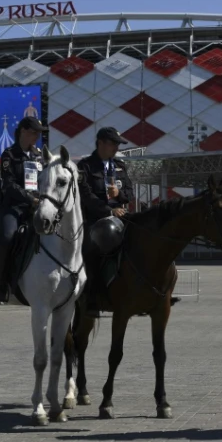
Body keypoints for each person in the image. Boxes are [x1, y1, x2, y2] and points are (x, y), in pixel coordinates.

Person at [76, 126, 135, 317]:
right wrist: (109, 210)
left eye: (119, 144)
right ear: (100, 143)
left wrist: (119, 194)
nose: (117, 148)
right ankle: (92, 296)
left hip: (121, 217)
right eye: (113, 144)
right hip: (95, 220)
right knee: (91, 251)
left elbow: (130, 193)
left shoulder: (119, 166)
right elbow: (86, 197)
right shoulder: (85, 166)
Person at [0, 116, 46, 302]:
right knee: (8, 236)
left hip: (37, 206)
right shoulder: (9, 154)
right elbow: (9, 185)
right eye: (34, 132)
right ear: (23, 131)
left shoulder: (39, 155)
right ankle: (1, 284)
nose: (37, 136)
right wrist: (30, 199)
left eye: (39, 133)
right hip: (13, 207)